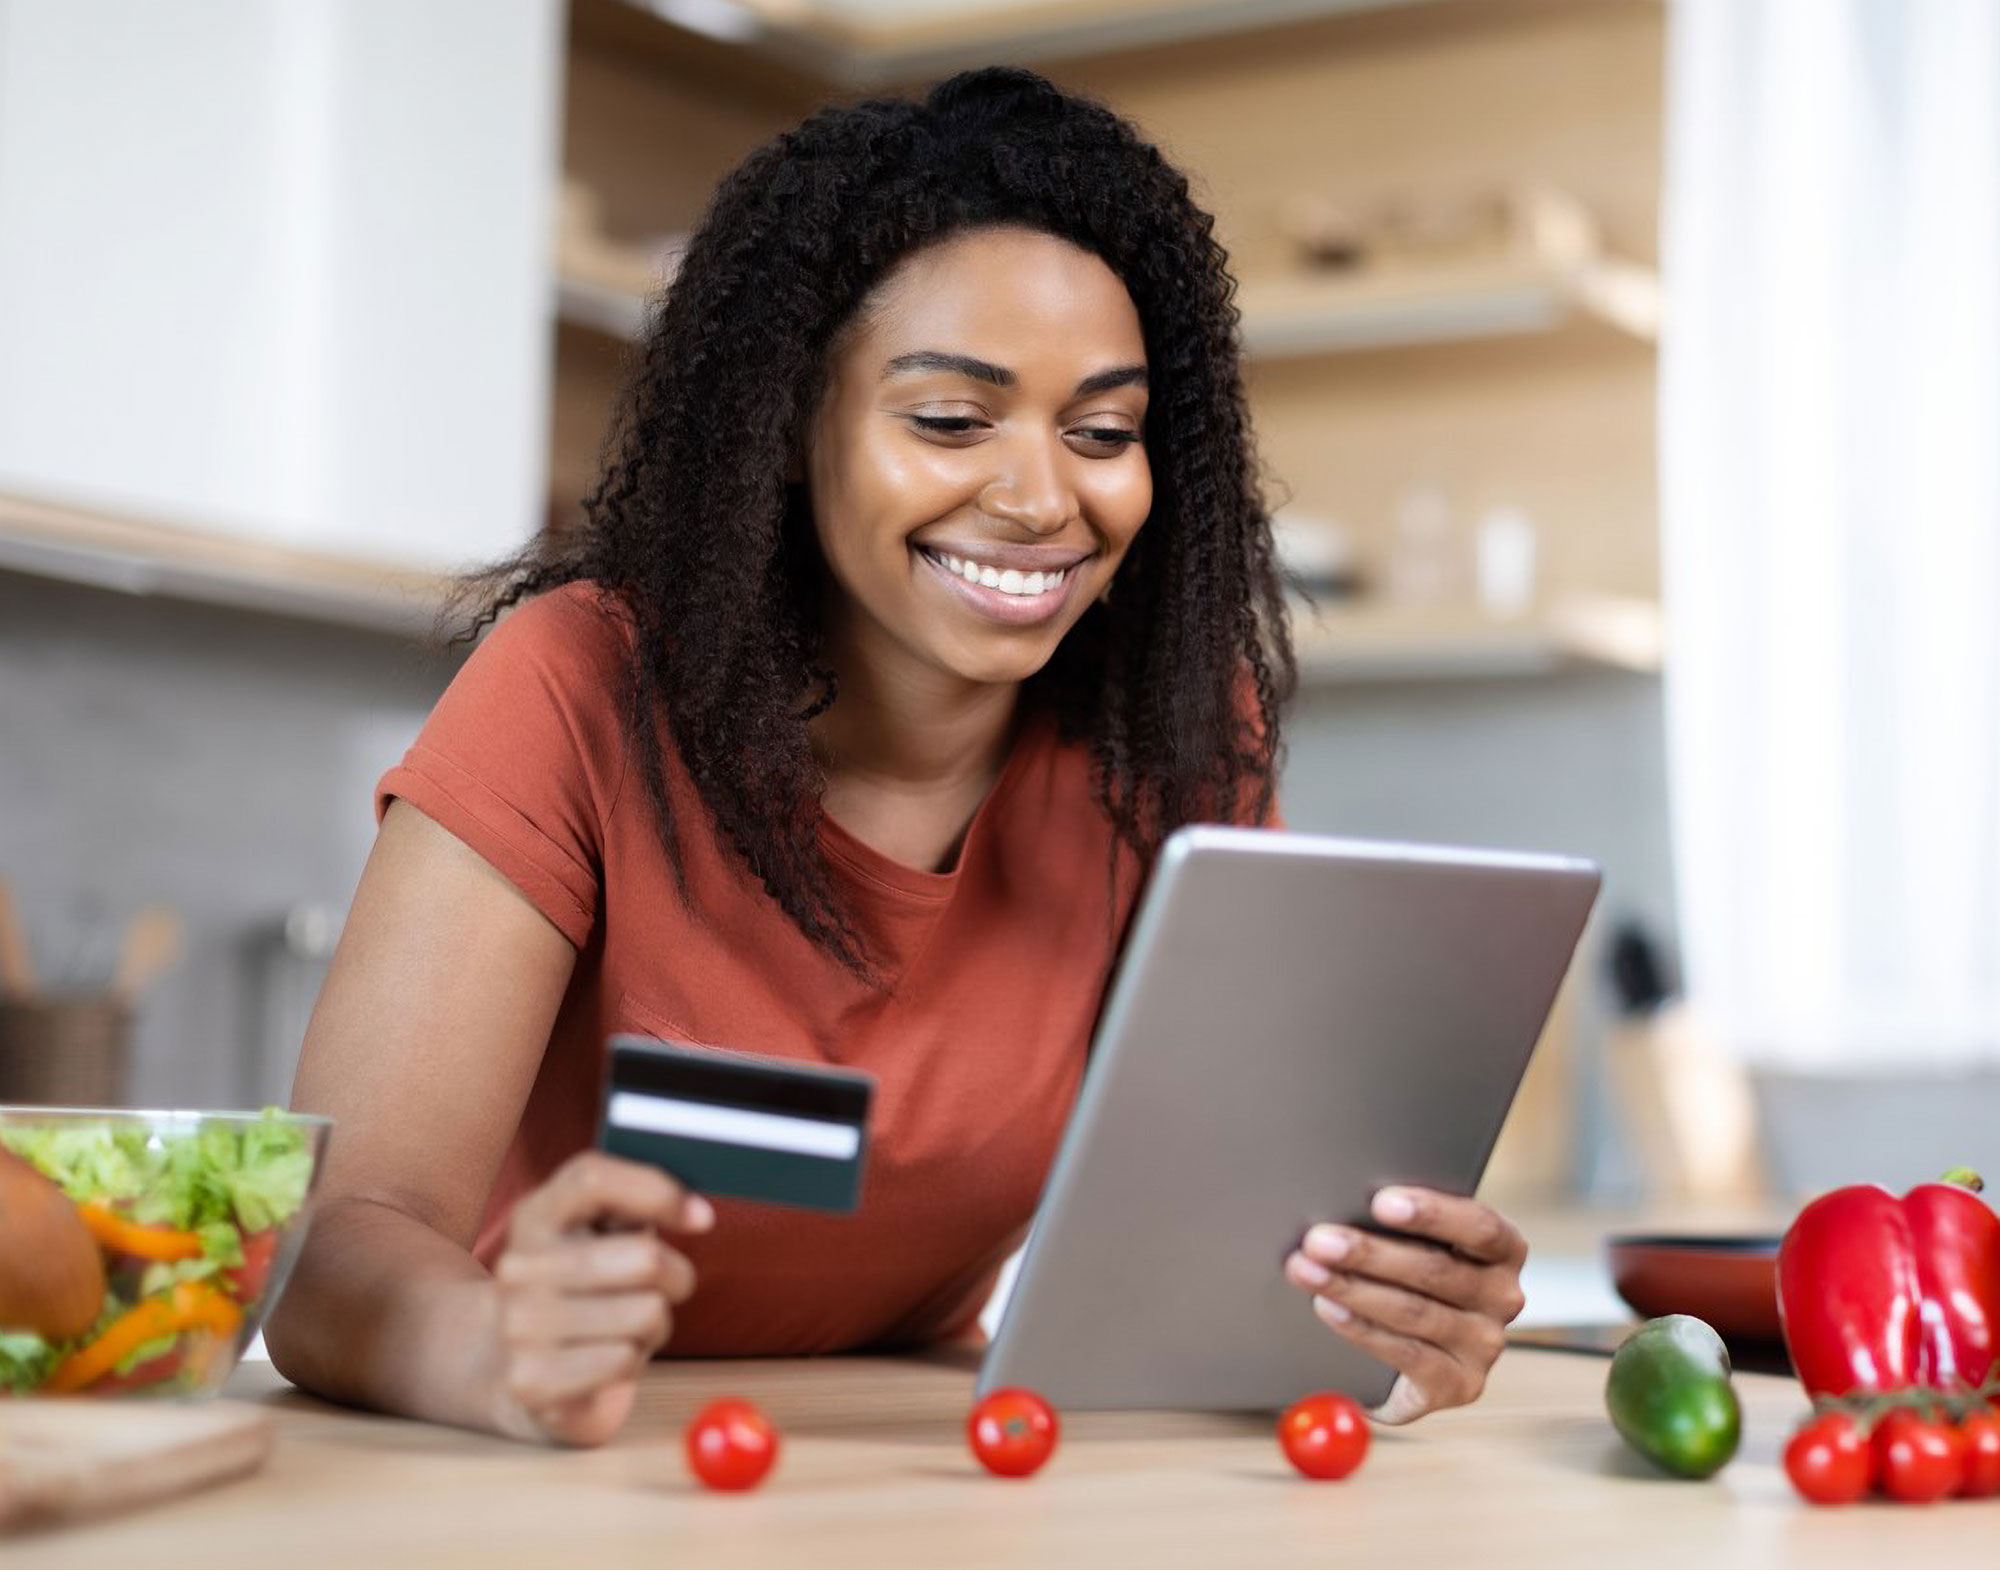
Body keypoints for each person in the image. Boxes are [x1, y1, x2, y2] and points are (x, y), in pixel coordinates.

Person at [265, 66, 1528, 1447]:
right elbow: (333, 1246)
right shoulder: (577, 685)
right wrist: (489, 1347)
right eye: (949, 419)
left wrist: (1380, 1313)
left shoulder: (1172, 738)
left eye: (1103, 432)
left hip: (913, 1457)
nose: (1043, 497)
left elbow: (1220, 1254)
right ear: (790, 424)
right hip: (534, 1457)